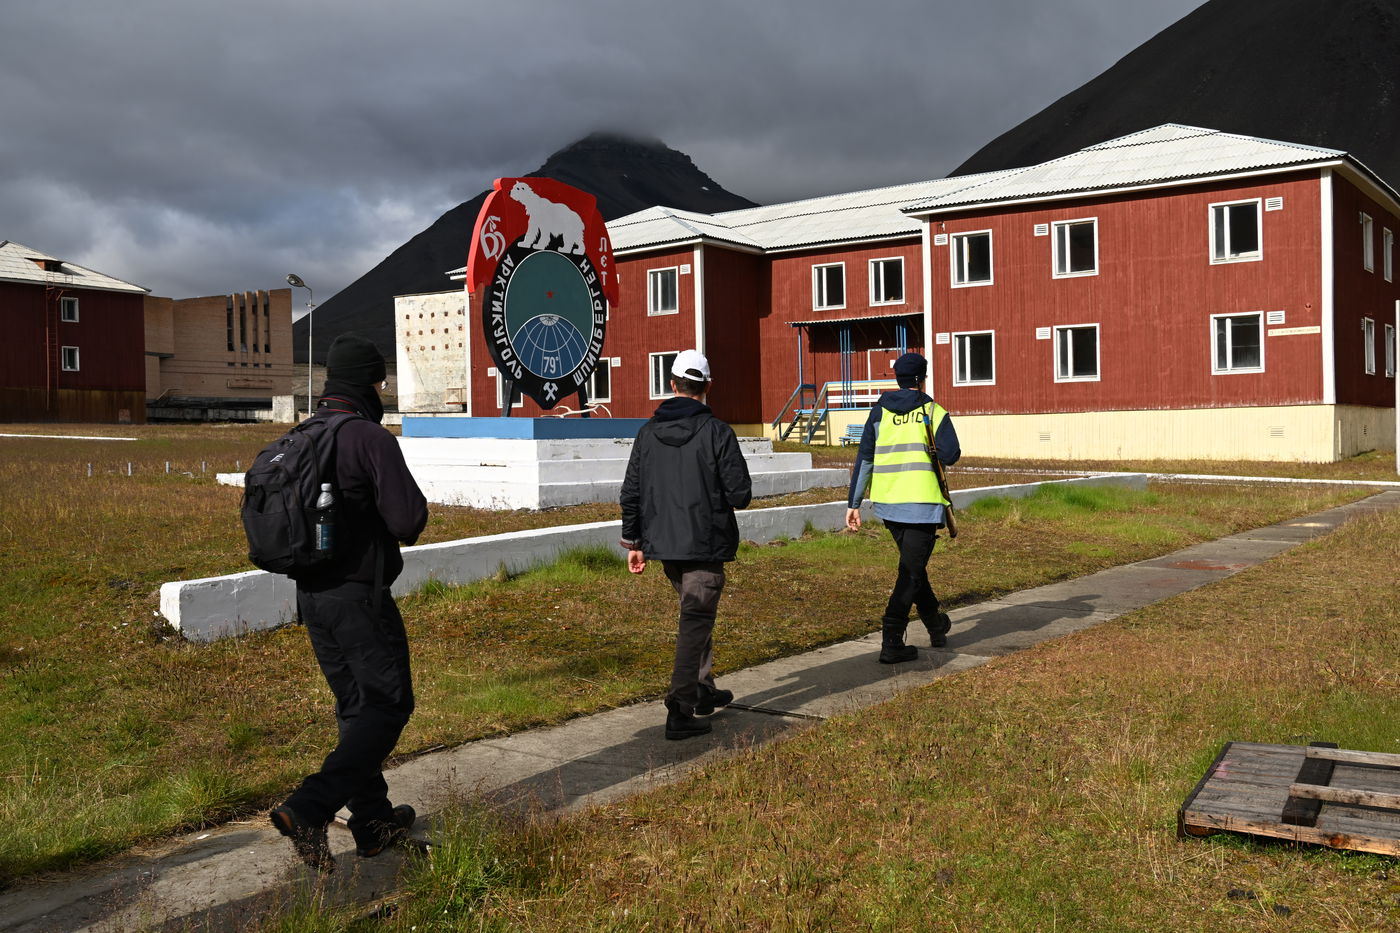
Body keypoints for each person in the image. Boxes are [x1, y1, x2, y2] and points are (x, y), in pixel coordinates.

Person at [270, 333, 429, 872]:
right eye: (380, 382)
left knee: (356, 709)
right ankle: (310, 806)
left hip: (310, 597)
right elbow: (409, 522)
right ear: (369, 384)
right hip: (359, 598)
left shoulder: (304, 434)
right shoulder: (368, 438)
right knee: (389, 705)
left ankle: (372, 820)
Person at [620, 349, 753, 740]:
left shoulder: (647, 433)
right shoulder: (718, 433)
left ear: (672, 385)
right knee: (695, 621)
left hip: (664, 546)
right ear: (707, 387)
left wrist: (634, 542)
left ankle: (703, 690)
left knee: (698, 616)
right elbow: (740, 494)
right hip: (704, 544)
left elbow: (631, 492)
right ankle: (679, 708)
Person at [845, 351, 961, 664]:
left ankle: (936, 624)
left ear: (896, 378)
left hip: (889, 505)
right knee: (909, 572)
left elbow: (865, 459)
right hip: (923, 504)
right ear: (922, 379)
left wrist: (853, 504)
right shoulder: (933, 411)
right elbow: (951, 454)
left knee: (914, 567)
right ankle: (892, 639)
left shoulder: (879, 411)